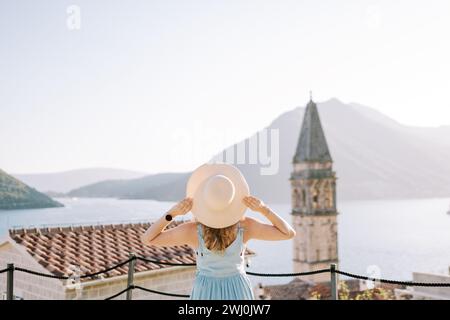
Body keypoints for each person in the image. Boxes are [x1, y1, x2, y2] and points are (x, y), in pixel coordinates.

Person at [141, 163, 296, 300]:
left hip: (206, 292)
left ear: (204, 200)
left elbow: (148, 239)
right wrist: (264, 209)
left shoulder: (191, 230)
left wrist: (172, 213)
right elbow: (288, 233)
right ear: (232, 199)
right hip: (238, 291)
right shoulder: (246, 227)